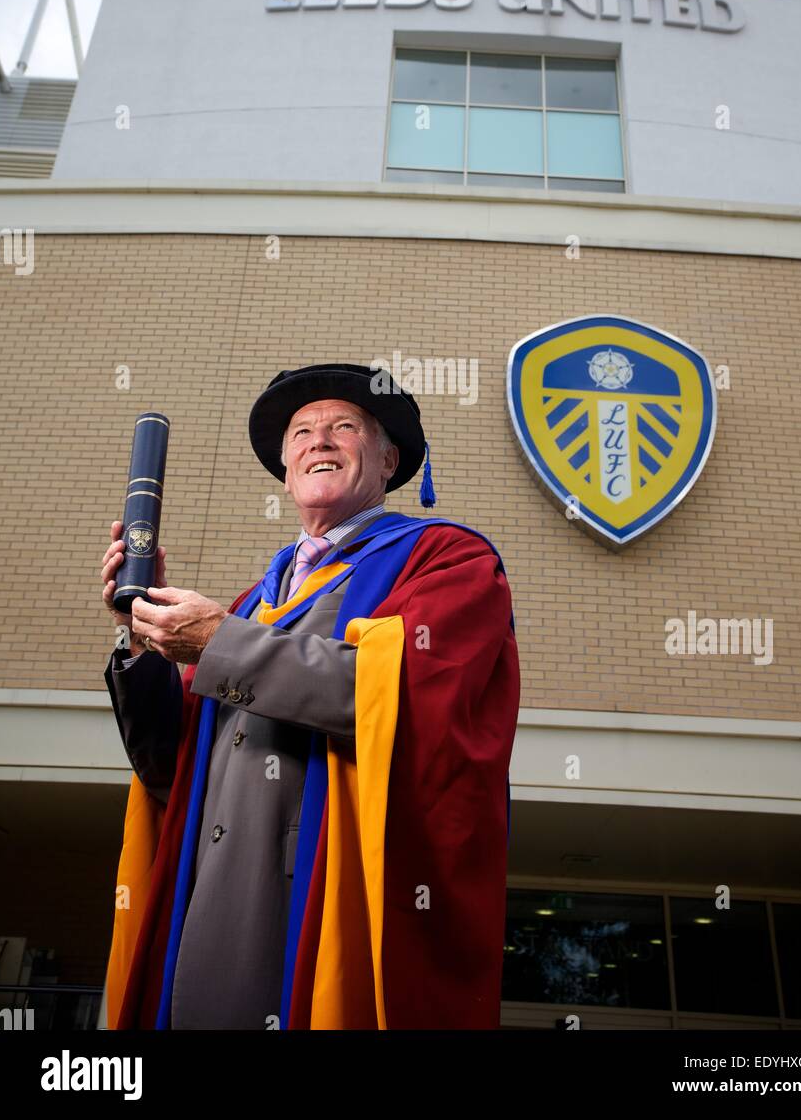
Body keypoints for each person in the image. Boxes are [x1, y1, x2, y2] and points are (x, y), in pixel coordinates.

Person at [101, 362, 520, 1030]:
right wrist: (139, 636)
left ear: (388, 460)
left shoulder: (446, 561)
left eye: (342, 427)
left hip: (325, 908)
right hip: (206, 912)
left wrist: (218, 641)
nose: (317, 441)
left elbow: (400, 698)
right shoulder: (250, 604)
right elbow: (170, 773)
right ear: (285, 466)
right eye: (301, 432)